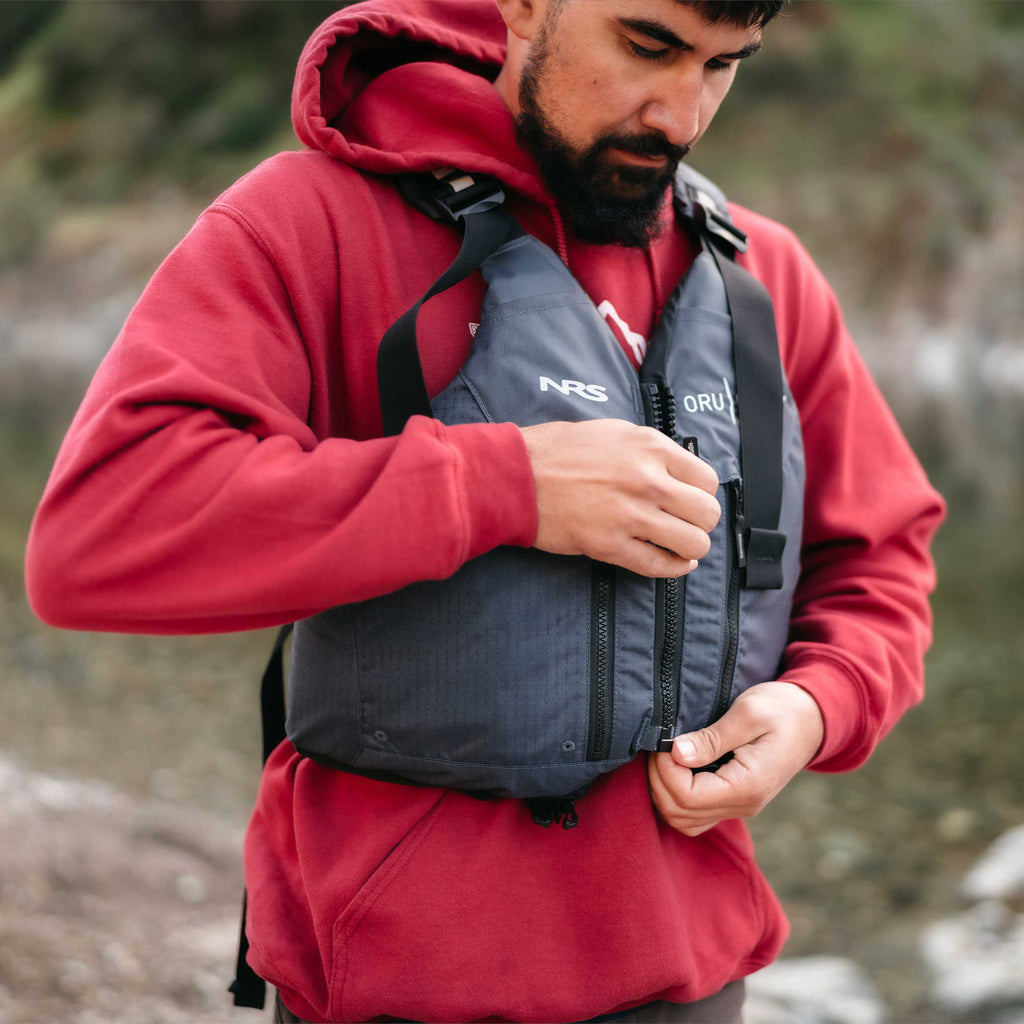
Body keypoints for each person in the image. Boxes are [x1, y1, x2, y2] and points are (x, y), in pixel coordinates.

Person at [25, 1, 945, 1021]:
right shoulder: (310, 221)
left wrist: (817, 706)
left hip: (693, 981)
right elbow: (98, 536)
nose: (681, 114)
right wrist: (505, 486)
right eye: (647, 47)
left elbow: (882, 560)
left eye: (723, 66)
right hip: (387, 985)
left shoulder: (759, 278)